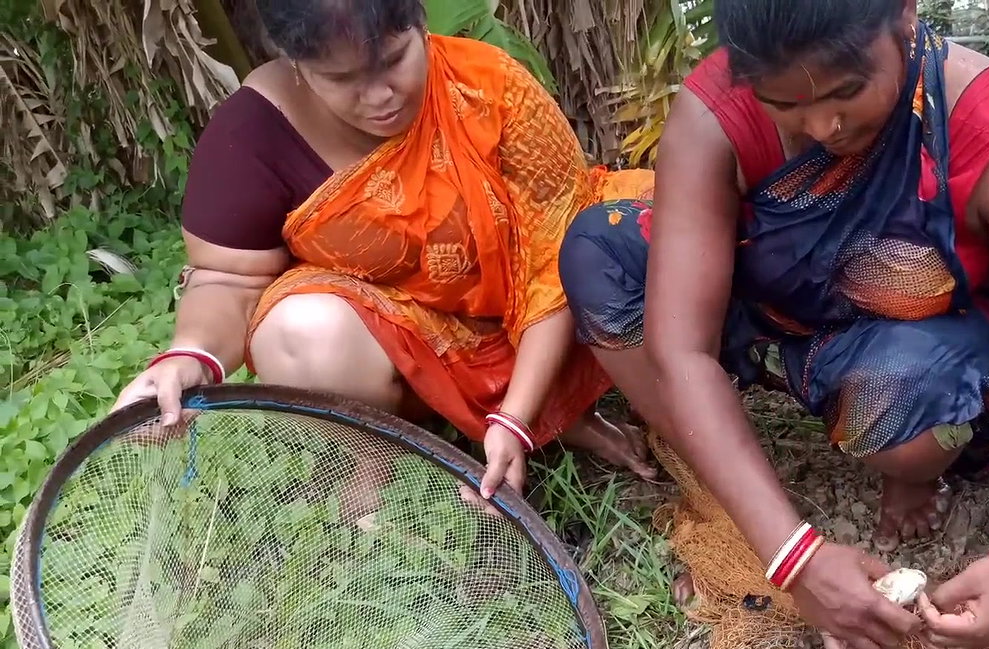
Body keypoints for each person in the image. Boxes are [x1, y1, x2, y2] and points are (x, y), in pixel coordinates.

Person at [558, 0, 989, 649]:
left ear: (905, 18)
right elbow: (680, 349)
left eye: (848, 91)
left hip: (930, 339)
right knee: (599, 253)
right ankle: (724, 487)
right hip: (786, 309)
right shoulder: (715, 115)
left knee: (906, 406)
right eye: (783, 104)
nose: (822, 126)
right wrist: (793, 555)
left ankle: (911, 462)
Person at [112, 0, 657, 502]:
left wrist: (516, 416)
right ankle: (374, 451)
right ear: (295, 62)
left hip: (541, 321)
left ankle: (562, 413)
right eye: (340, 78)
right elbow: (229, 277)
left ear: (419, 23)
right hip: (408, 343)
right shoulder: (254, 135)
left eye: (394, 60)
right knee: (300, 329)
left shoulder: (487, 88)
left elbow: (552, 259)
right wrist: (191, 354)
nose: (379, 97)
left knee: (630, 235)